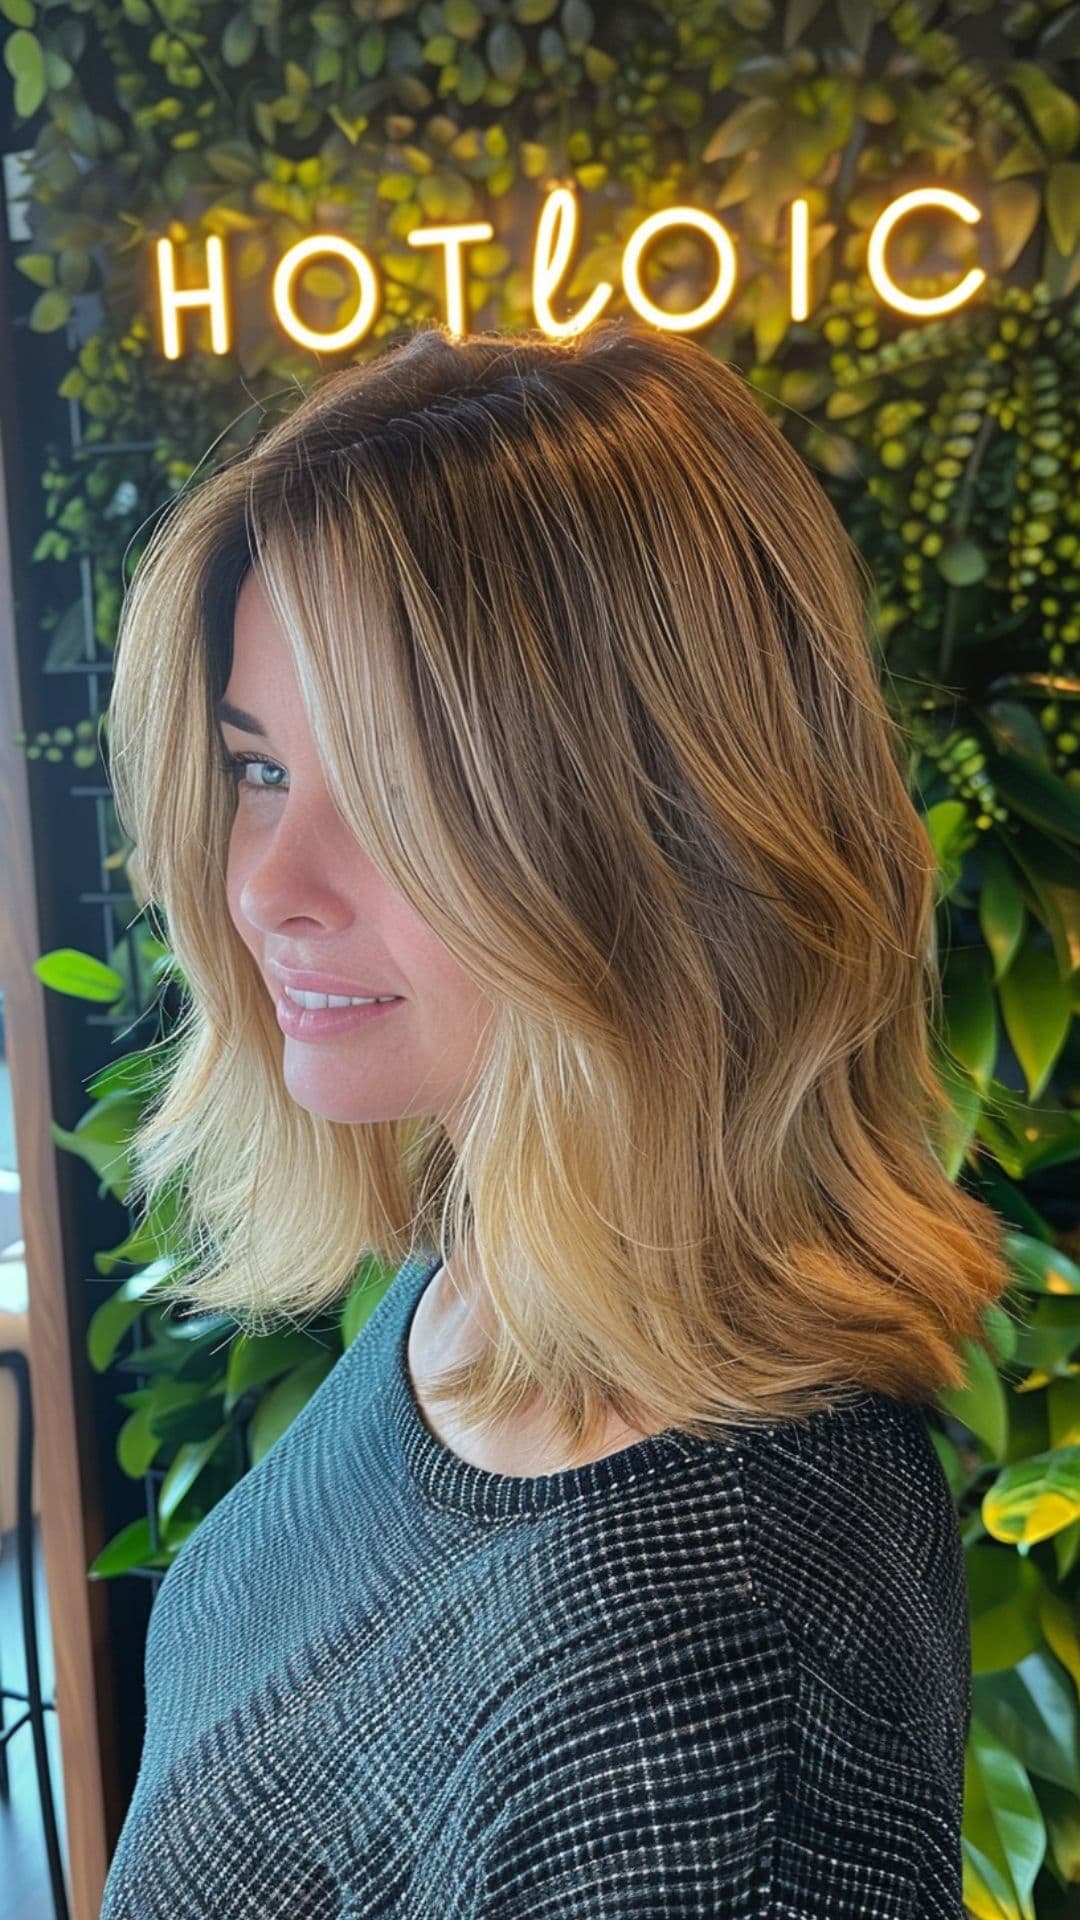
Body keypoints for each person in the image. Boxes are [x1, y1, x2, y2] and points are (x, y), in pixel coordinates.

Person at [98, 318, 1010, 1917]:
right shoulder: (497, 1281)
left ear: (661, 831)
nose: (267, 888)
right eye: (258, 773)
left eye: (388, 796)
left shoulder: (703, 1686)